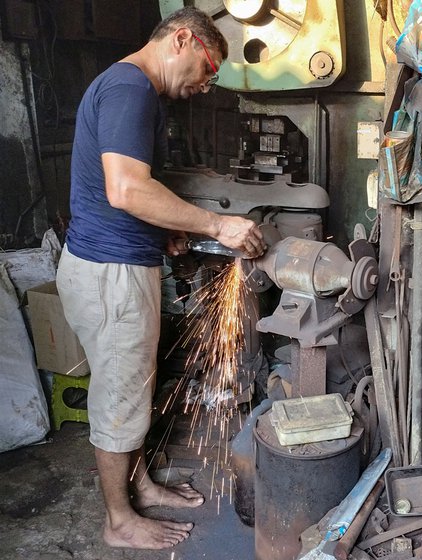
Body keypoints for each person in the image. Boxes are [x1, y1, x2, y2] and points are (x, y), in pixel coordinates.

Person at [56, 7, 264, 550]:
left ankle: (139, 488)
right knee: (119, 400)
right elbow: (125, 190)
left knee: (130, 392)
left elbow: (120, 195)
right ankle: (118, 520)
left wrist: (165, 232)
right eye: (208, 66)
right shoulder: (132, 89)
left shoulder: (124, 85)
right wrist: (217, 224)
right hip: (112, 276)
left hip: (115, 264)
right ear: (183, 39)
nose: (205, 83)